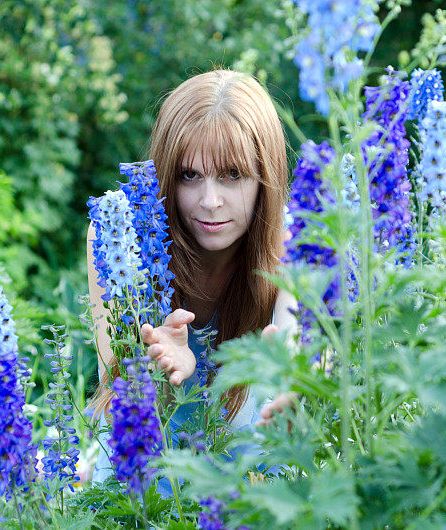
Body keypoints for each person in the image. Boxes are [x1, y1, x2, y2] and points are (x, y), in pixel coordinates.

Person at [86, 69, 298, 488]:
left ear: (265, 177)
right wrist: (161, 374)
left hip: (252, 490)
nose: (210, 201)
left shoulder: (292, 244)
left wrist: (296, 384)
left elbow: (293, 345)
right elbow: (117, 399)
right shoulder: (117, 233)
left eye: (232, 175)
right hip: (148, 485)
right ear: (166, 175)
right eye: (189, 175)